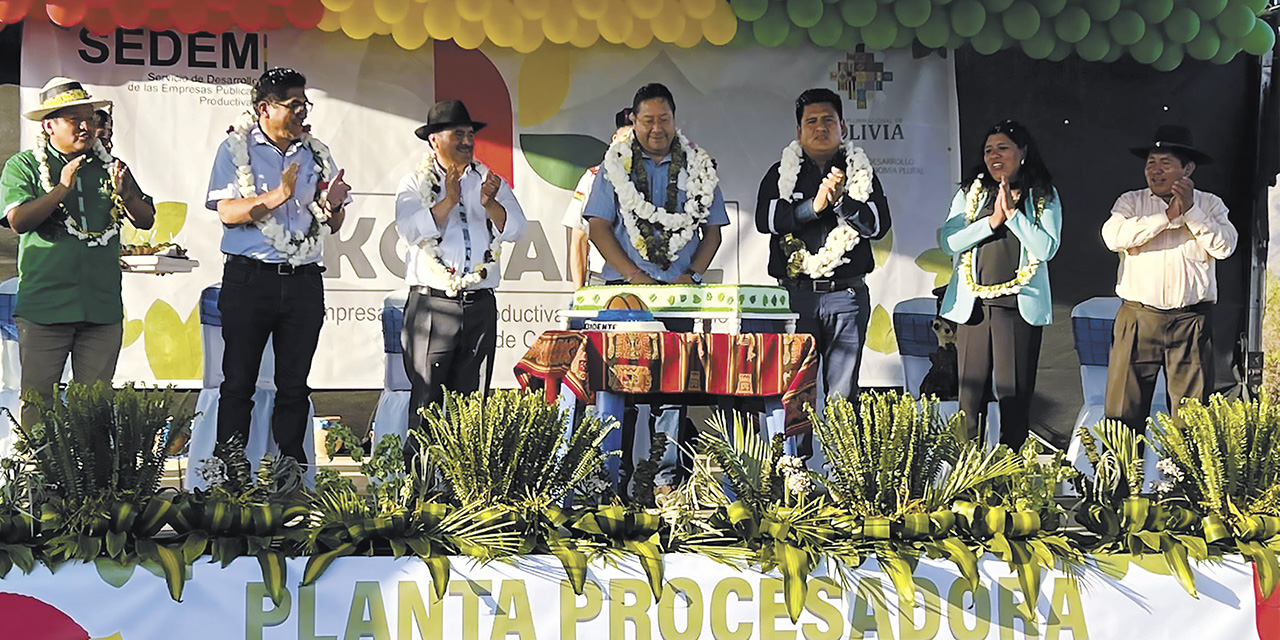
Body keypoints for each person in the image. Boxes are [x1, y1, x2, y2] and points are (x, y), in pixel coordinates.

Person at [583, 82, 728, 492]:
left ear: (674, 121)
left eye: (664, 119)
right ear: (634, 121)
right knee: (619, 388)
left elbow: (713, 233)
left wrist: (692, 275)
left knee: (672, 389)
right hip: (627, 298)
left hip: (678, 296)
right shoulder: (615, 165)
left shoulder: (697, 165)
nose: (656, 128)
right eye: (647, 120)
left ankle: (664, 481)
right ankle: (614, 481)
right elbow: (597, 228)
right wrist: (634, 275)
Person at [205, 67, 351, 470]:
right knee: (238, 383)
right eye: (294, 105)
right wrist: (279, 195)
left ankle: (291, 475)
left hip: (303, 280)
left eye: (305, 104)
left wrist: (334, 204)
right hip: (250, 279)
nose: (303, 113)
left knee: (294, 386)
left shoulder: (315, 152)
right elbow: (228, 213)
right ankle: (231, 474)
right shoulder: (236, 148)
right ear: (265, 108)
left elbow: (332, 224)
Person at [0, 77, 155, 428]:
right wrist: (62, 188)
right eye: (75, 119)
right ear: (49, 125)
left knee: (95, 410)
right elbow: (19, 221)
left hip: (101, 308)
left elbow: (146, 219)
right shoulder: (24, 165)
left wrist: (128, 194)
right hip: (46, 308)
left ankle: (89, 483)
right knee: (39, 407)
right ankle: (39, 481)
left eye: (90, 117)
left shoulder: (108, 166)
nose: (87, 126)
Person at [753, 88, 891, 441]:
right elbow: (767, 219)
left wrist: (842, 202)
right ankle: (795, 475)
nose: (820, 128)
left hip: (846, 296)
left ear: (842, 126)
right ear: (799, 131)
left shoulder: (860, 171)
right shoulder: (780, 172)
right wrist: (813, 207)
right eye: (811, 121)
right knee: (796, 387)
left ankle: (843, 475)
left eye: (828, 120)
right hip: (796, 298)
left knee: (843, 393)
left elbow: (877, 225)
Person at [395, 99, 526, 426]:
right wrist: (449, 201)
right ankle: (423, 478)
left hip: (479, 305)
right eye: (458, 134)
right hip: (432, 305)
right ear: (434, 140)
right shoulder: (414, 183)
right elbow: (409, 230)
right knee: (427, 403)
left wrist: (490, 203)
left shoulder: (488, 181)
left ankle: (461, 479)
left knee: (472, 407)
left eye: (470, 134)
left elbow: (517, 228)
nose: (467, 141)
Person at [1102, 125, 1237, 432]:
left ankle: (1183, 481)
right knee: (1123, 412)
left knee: (1192, 420)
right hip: (1138, 318)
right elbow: (1113, 236)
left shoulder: (1210, 204)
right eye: (1151, 162)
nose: (1156, 170)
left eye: (1165, 162)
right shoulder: (1131, 202)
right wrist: (1165, 219)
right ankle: (1123, 480)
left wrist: (1190, 213)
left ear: (1187, 168)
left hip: (1190, 322)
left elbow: (1225, 246)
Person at [938, 120, 1061, 448]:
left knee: (1013, 399)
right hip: (974, 309)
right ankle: (967, 480)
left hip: (1017, 309)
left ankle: (1009, 481)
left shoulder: (1042, 193)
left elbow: (1046, 248)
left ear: (1022, 152)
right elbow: (949, 241)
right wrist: (991, 222)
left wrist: (1014, 217)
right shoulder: (971, 192)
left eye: (1002, 148)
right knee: (969, 401)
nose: (994, 155)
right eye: (988, 149)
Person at [563, 107, 632, 289]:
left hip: (647, 279)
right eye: (625, 138)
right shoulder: (593, 177)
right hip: (603, 279)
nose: (628, 146)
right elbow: (579, 238)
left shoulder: (655, 176)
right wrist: (579, 292)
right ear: (614, 139)